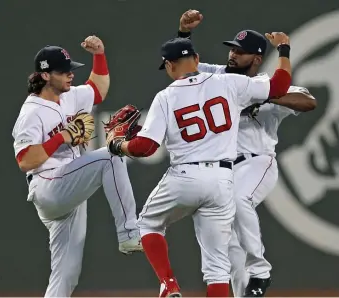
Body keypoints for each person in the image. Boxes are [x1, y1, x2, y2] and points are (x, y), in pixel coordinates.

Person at [105, 34, 292, 297]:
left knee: (147, 225)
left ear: (169, 66)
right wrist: (283, 50)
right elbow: (280, 85)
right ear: (197, 59)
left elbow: (146, 147)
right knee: (217, 269)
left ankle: (168, 285)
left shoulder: (166, 96)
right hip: (222, 180)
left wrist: (118, 145)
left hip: (185, 176)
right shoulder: (230, 82)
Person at [176, 9, 317, 297]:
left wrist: (266, 95)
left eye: (240, 52)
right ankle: (246, 292)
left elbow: (308, 101)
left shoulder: (265, 84)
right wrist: (184, 35)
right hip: (222, 169)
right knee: (228, 242)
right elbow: (183, 68)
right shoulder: (219, 76)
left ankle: (260, 271)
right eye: (232, 49)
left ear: (255, 58)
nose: (232, 55)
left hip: (257, 162)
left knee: (239, 200)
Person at [12, 35, 143, 297]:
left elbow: (98, 88)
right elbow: (25, 161)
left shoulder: (70, 96)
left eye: (71, 70)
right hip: (48, 185)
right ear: (46, 75)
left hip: (69, 190)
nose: (70, 76)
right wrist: (62, 137)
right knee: (110, 155)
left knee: (66, 274)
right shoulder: (31, 112)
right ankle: (129, 233)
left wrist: (100, 55)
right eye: (64, 72)